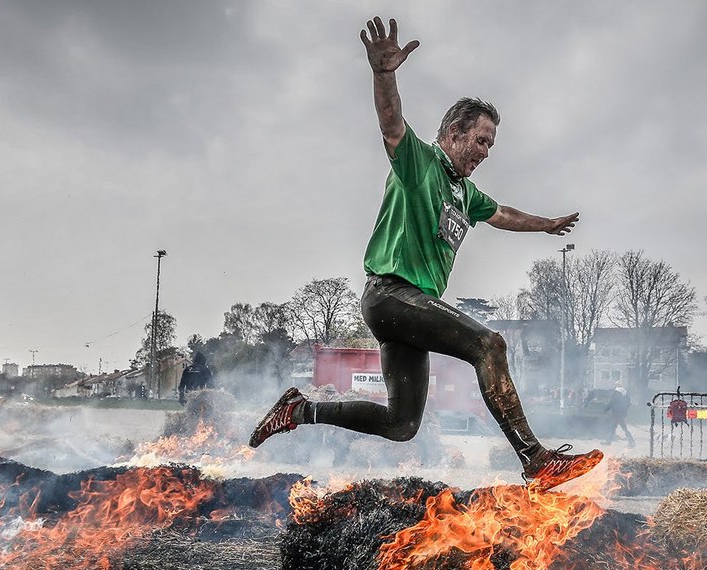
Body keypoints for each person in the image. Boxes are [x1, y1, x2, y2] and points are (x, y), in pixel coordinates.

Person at [248, 16, 603, 491]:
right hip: (392, 295)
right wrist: (383, 74)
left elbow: (502, 213)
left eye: (491, 145)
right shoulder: (421, 162)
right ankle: (535, 460)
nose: (485, 152)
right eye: (481, 140)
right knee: (489, 345)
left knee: (402, 424)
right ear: (454, 132)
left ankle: (299, 410)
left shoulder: (465, 192)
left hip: (409, 312)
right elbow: (391, 123)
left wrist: (547, 224)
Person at [606, 382, 635, 448]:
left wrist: (606, 409)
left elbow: (612, 402)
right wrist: (624, 411)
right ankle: (609, 441)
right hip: (622, 413)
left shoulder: (616, 392)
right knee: (614, 427)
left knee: (622, 427)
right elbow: (629, 403)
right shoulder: (625, 393)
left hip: (617, 413)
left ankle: (631, 441)